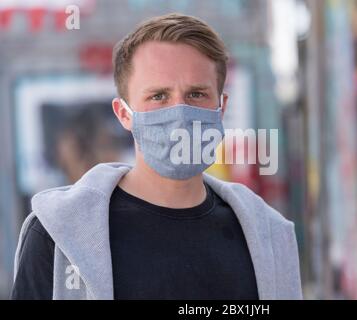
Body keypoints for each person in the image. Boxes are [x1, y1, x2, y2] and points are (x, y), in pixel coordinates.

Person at [11, 13, 302, 300]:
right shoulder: (57, 237)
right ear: (124, 114)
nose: (179, 112)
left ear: (221, 107)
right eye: (159, 96)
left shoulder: (270, 238)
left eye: (197, 94)